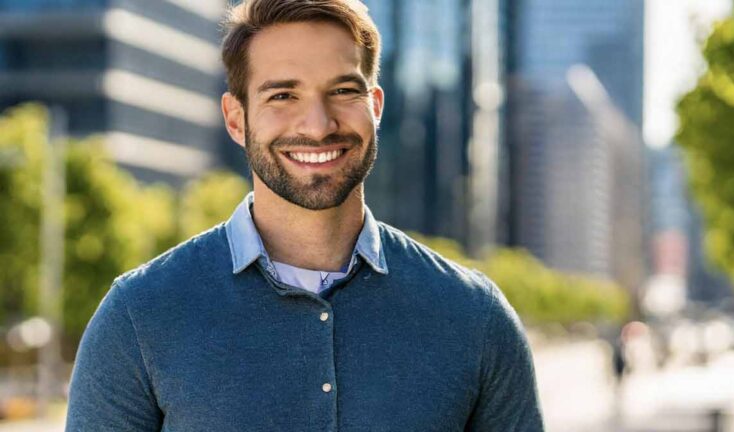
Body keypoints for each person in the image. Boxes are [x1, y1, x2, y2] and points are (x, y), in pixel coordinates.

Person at [65, 0, 544, 430]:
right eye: (282, 95)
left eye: (342, 91)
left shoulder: (475, 316)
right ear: (236, 119)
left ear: (375, 107)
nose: (317, 125)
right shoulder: (139, 315)